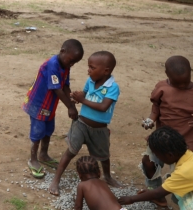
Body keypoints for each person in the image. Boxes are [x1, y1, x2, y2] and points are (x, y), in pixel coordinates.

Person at [49, 51, 122, 196]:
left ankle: (107, 176)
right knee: (71, 151)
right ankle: (55, 180)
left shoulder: (113, 87)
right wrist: (76, 97)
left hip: (99, 129)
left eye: (92, 68)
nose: (88, 70)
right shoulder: (90, 81)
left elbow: (103, 107)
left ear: (106, 71)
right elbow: (84, 94)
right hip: (81, 124)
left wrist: (82, 100)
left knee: (104, 156)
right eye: (89, 67)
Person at [138, 55, 193, 207]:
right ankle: (156, 192)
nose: (182, 87)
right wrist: (150, 121)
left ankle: (184, 200)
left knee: (186, 174)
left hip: (189, 140)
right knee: (148, 162)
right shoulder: (162, 88)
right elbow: (156, 109)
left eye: (185, 83)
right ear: (167, 74)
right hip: (163, 139)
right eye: (177, 84)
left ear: (191, 74)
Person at [21, 39, 84, 178]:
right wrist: (70, 107)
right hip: (38, 103)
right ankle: (33, 159)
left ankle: (43, 154)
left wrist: (72, 103)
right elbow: (57, 89)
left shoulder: (65, 65)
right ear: (62, 51)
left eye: (75, 63)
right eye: (71, 60)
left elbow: (65, 86)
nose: (72, 64)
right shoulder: (53, 64)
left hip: (49, 105)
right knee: (38, 131)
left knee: (49, 129)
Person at [118, 126, 193, 209]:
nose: (157, 158)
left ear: (170, 155)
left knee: (186, 200)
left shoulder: (185, 172)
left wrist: (131, 199)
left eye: (157, 155)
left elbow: (158, 193)